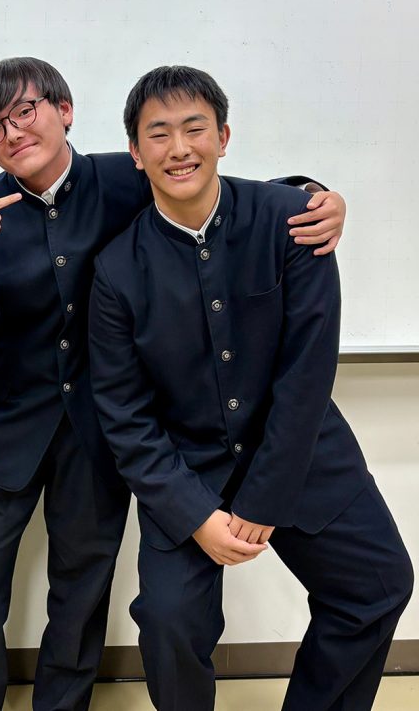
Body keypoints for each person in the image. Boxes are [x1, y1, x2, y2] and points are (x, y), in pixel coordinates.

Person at [0, 57, 346, 711]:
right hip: (6, 431)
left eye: (25, 111)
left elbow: (208, 186)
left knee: (82, 585)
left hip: (100, 430)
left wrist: (314, 193)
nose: (12, 132)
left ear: (64, 110)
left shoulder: (123, 177)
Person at [88, 64, 412, 711]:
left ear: (224, 136)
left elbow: (306, 374)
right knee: (169, 622)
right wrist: (195, 515)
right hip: (188, 470)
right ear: (136, 153)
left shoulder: (294, 220)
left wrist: (264, 499)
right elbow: (125, 415)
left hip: (299, 450)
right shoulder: (117, 271)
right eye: (159, 134)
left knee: (378, 584)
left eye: (194, 128)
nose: (179, 148)